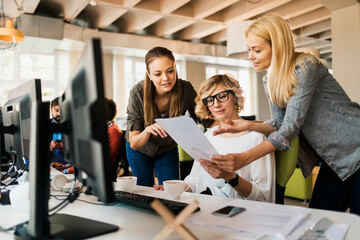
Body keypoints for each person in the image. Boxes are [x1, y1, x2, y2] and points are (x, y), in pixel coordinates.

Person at [210, 14, 360, 213]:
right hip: (335, 161)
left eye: (257, 50)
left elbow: (292, 126)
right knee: (318, 222)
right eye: (249, 50)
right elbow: (281, 124)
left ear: (278, 46)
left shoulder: (305, 67)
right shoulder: (270, 80)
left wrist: (245, 158)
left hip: (355, 148)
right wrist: (249, 125)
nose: (250, 56)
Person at [155, 74, 275, 202]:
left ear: (235, 97)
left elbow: (262, 197)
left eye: (222, 96)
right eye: (210, 100)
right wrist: (176, 188)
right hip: (203, 205)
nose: (216, 104)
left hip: (236, 213)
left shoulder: (257, 137)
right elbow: (195, 181)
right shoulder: (208, 135)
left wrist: (229, 177)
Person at [126, 46, 213, 187]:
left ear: (175, 68)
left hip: (167, 147)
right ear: (149, 74)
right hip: (141, 148)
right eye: (158, 74)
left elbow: (206, 119)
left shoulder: (185, 90)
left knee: (172, 189)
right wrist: (148, 130)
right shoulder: (138, 93)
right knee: (143, 189)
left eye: (170, 71)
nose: (165, 78)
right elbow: (134, 143)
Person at [64, 98, 123, 178]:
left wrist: (69, 170)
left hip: (103, 178)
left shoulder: (113, 131)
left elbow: (100, 162)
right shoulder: (102, 130)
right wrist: (66, 167)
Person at [49, 97, 71, 171]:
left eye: (61, 110)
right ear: (51, 110)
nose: (59, 114)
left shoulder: (72, 126)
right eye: (56, 110)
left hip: (68, 168)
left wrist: (62, 147)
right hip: (50, 168)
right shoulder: (43, 126)